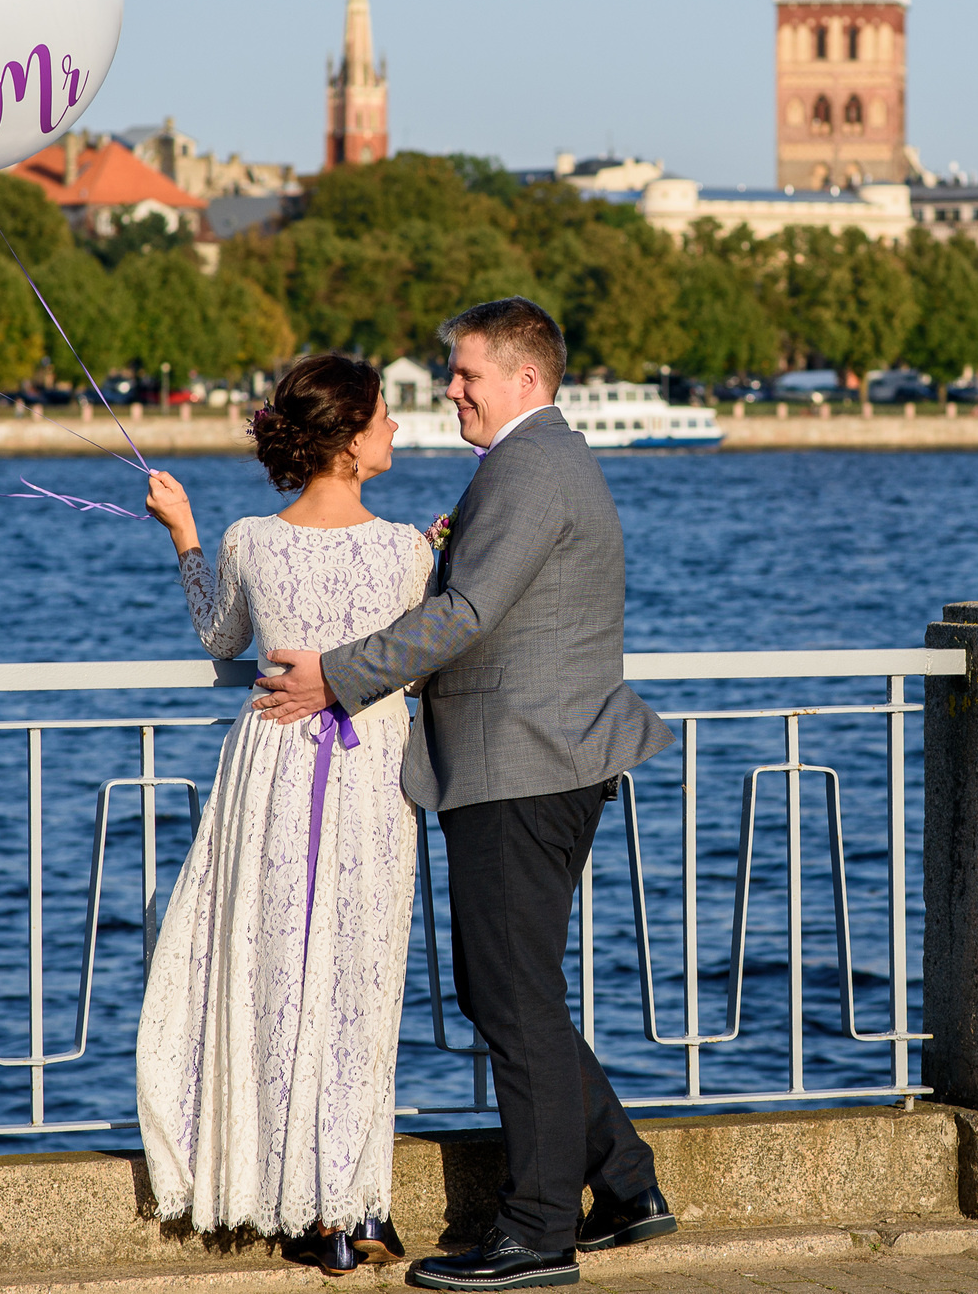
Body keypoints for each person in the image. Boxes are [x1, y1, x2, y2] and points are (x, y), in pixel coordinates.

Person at [252, 297, 678, 1293]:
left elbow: (471, 609)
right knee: (516, 982)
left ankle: (536, 1231)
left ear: (525, 380)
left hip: (522, 762)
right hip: (535, 755)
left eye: (466, 373)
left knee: (507, 989)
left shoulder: (532, 466)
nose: (449, 389)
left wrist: (337, 671)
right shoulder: (536, 463)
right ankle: (624, 1181)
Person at [135, 353, 430, 1277]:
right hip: (369, 764)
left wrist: (182, 532)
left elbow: (219, 636)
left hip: (269, 761)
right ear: (346, 439)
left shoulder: (249, 539)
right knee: (357, 977)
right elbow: (417, 666)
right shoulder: (408, 552)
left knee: (276, 968)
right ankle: (353, 1202)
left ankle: (302, 1197)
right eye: (383, 417)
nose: (397, 430)